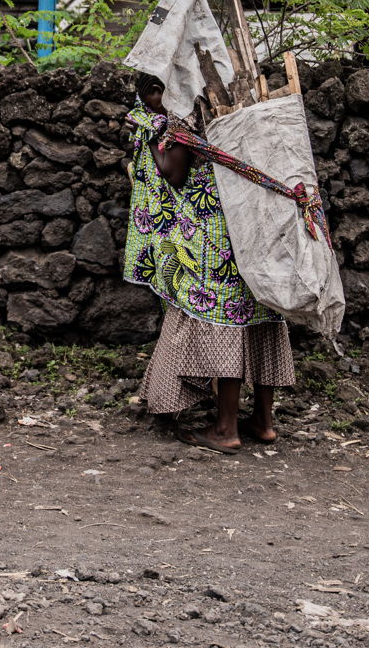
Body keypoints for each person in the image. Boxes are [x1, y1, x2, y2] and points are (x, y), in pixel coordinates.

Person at [124, 73, 295, 454]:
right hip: (257, 223)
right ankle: (264, 423)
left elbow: (174, 171)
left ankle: (226, 428)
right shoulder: (242, 104)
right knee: (263, 317)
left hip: (216, 229)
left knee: (225, 322)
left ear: (159, 91)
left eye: (150, 94)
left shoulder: (185, 114)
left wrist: (152, 135)